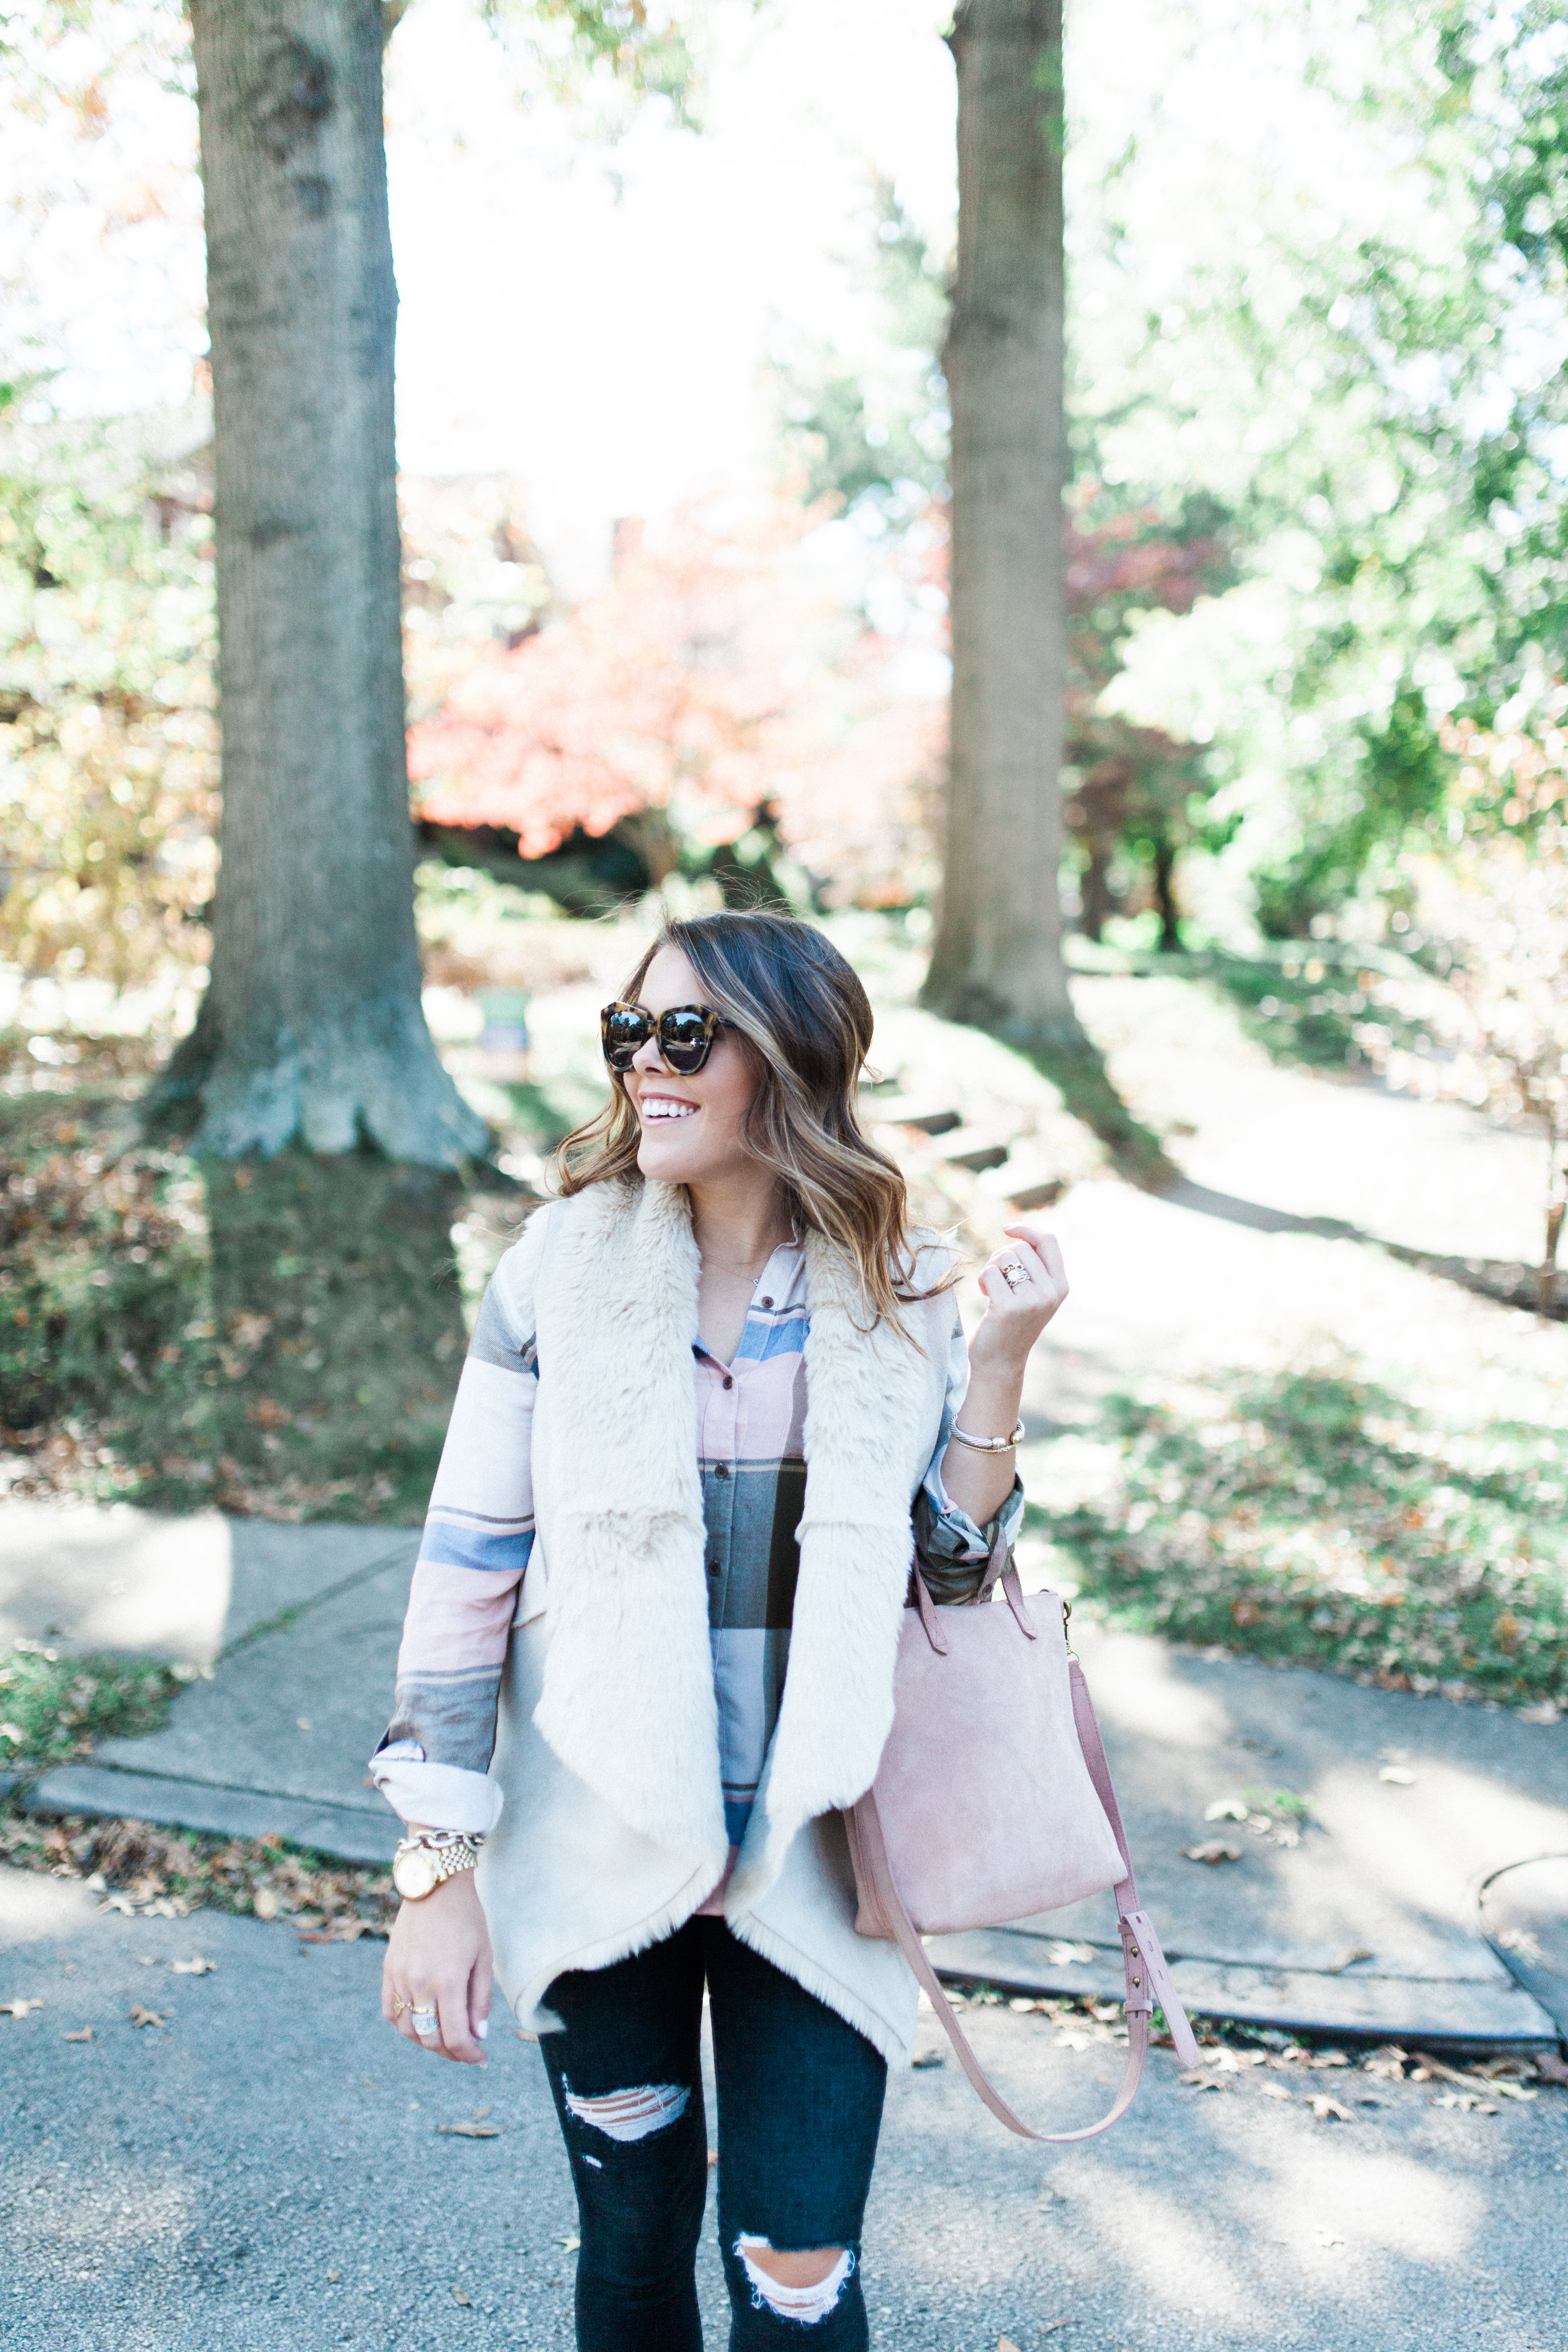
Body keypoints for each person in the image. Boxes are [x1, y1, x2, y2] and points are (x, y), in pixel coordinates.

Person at [372, 910, 1068, 2350]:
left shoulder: (908, 1286)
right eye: (629, 1033)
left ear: (790, 1055)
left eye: (685, 1034)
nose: (646, 1067)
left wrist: (995, 1366)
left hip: (815, 1860)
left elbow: (949, 1581)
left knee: (797, 2270)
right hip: (597, 1842)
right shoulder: (549, 1274)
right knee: (630, 2247)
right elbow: (464, 1571)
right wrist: (434, 1868)